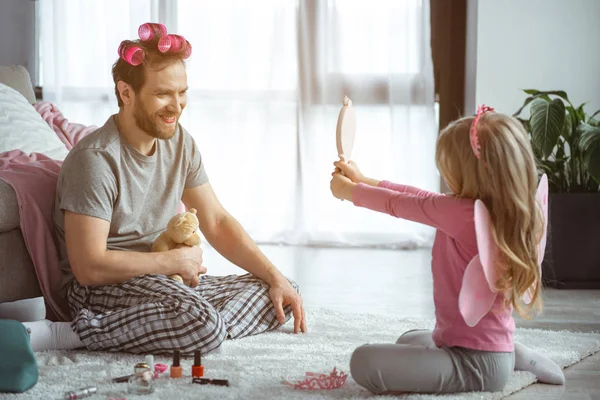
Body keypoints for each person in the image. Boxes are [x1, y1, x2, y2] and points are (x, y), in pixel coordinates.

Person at [24, 23, 306, 354]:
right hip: (100, 291)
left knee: (281, 291)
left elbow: (215, 220)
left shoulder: (180, 142)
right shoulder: (95, 160)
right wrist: (172, 261)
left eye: (182, 92)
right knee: (204, 324)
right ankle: (72, 334)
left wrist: (275, 276)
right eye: (163, 94)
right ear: (126, 92)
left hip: (163, 280)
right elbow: (89, 267)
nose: (177, 105)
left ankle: (176, 323)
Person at [329, 106, 564, 394]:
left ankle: (512, 356)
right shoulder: (509, 211)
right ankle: (513, 354)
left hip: (472, 365)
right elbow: (424, 198)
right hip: (482, 349)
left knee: (364, 361)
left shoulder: (462, 214)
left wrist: (349, 192)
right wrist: (365, 180)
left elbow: (400, 204)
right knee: (408, 339)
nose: (443, 173)